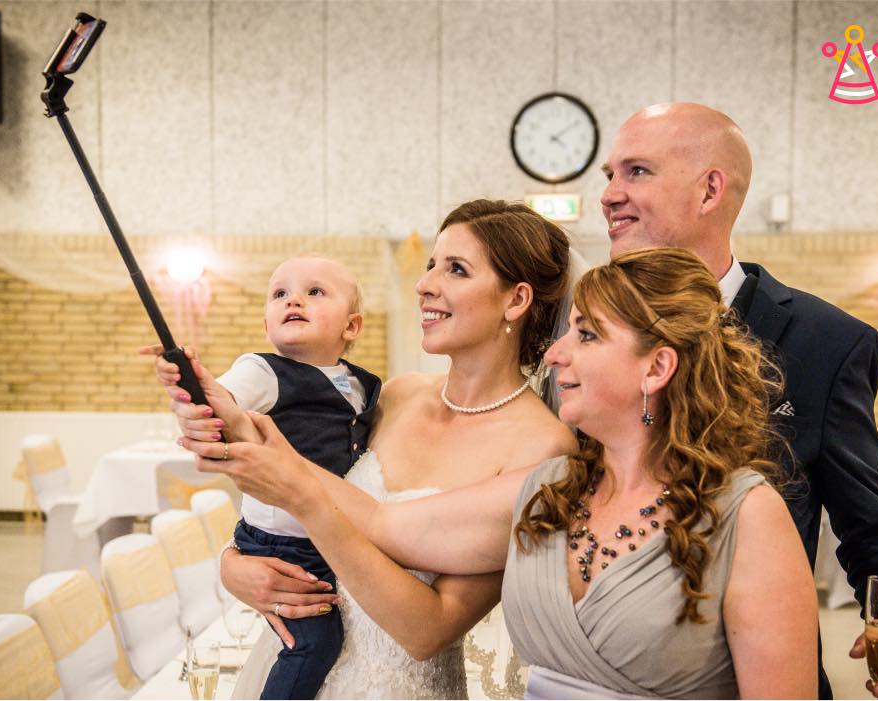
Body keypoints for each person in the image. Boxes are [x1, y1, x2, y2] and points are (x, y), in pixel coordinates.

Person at [182, 247, 820, 698]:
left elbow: (421, 614)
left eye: (589, 336)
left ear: (657, 369)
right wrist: (237, 557)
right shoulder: (556, 490)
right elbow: (376, 519)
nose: (561, 353)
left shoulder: (739, 510)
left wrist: (284, 475)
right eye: (568, 330)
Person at [156, 199, 576, 698]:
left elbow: (428, 630)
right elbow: (307, 506)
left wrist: (292, 485)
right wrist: (237, 564)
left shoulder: (542, 447)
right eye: (430, 266)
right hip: (295, 662)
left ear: (516, 300)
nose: (424, 285)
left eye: (456, 269)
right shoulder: (396, 396)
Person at [599, 102, 878, 699]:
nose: (608, 194)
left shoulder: (827, 342)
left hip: (757, 675)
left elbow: (871, 527)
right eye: (609, 175)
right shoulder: (587, 332)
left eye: (635, 172)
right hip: (602, 671)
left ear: (710, 190)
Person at [145, 255, 381, 699]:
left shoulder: (363, 386)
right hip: (281, 542)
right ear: (267, 323)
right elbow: (216, 403)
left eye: (315, 292)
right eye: (280, 294)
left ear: (352, 327)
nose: (294, 299)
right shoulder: (264, 371)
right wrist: (186, 390)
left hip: (328, 536)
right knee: (313, 642)